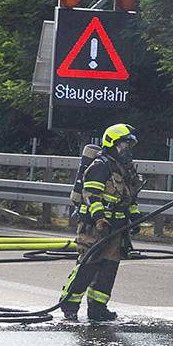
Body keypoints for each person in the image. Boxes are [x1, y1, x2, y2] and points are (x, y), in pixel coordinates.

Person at [61, 124, 141, 322]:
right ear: (112, 144)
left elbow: (129, 199)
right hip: (95, 228)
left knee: (108, 269)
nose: (126, 150)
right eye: (124, 145)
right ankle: (69, 305)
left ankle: (98, 309)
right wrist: (99, 219)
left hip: (117, 228)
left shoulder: (125, 169)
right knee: (88, 266)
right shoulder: (100, 166)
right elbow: (91, 196)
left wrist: (135, 217)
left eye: (129, 146)